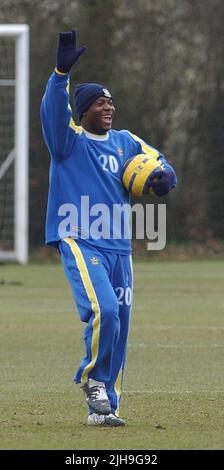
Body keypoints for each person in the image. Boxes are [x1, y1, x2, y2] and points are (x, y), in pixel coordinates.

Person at [40, 29, 177, 427]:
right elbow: (52, 112)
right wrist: (60, 74)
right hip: (80, 238)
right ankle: (91, 380)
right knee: (106, 313)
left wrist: (165, 178)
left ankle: (103, 409)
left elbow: (160, 163)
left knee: (122, 328)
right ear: (83, 111)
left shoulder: (126, 141)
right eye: (100, 102)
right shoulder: (69, 141)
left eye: (111, 102)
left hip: (120, 246)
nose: (108, 107)